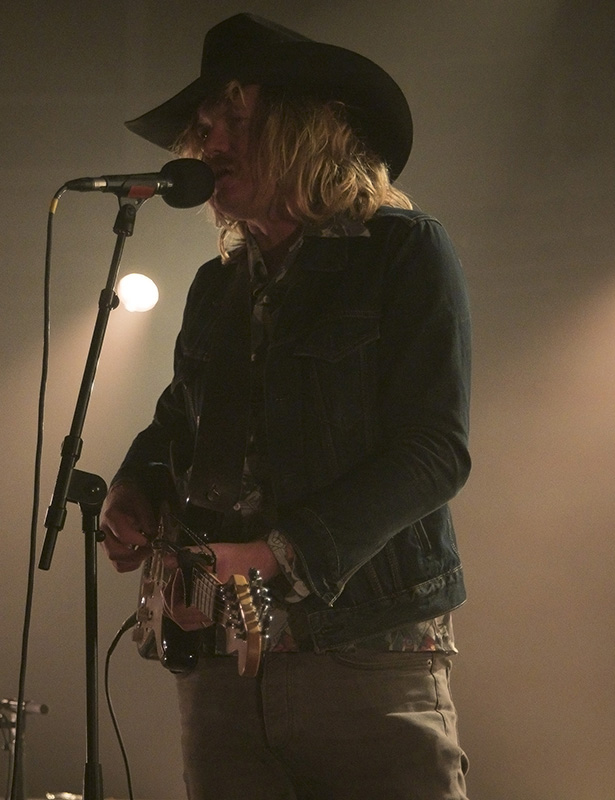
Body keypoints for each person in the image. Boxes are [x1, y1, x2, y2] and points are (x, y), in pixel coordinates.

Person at [99, 13, 471, 800]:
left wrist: (277, 553)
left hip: (367, 652)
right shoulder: (216, 287)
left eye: (234, 117)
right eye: (201, 129)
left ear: (306, 130)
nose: (209, 143)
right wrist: (135, 485)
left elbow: (435, 451)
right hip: (222, 670)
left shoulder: (403, 254)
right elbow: (178, 422)